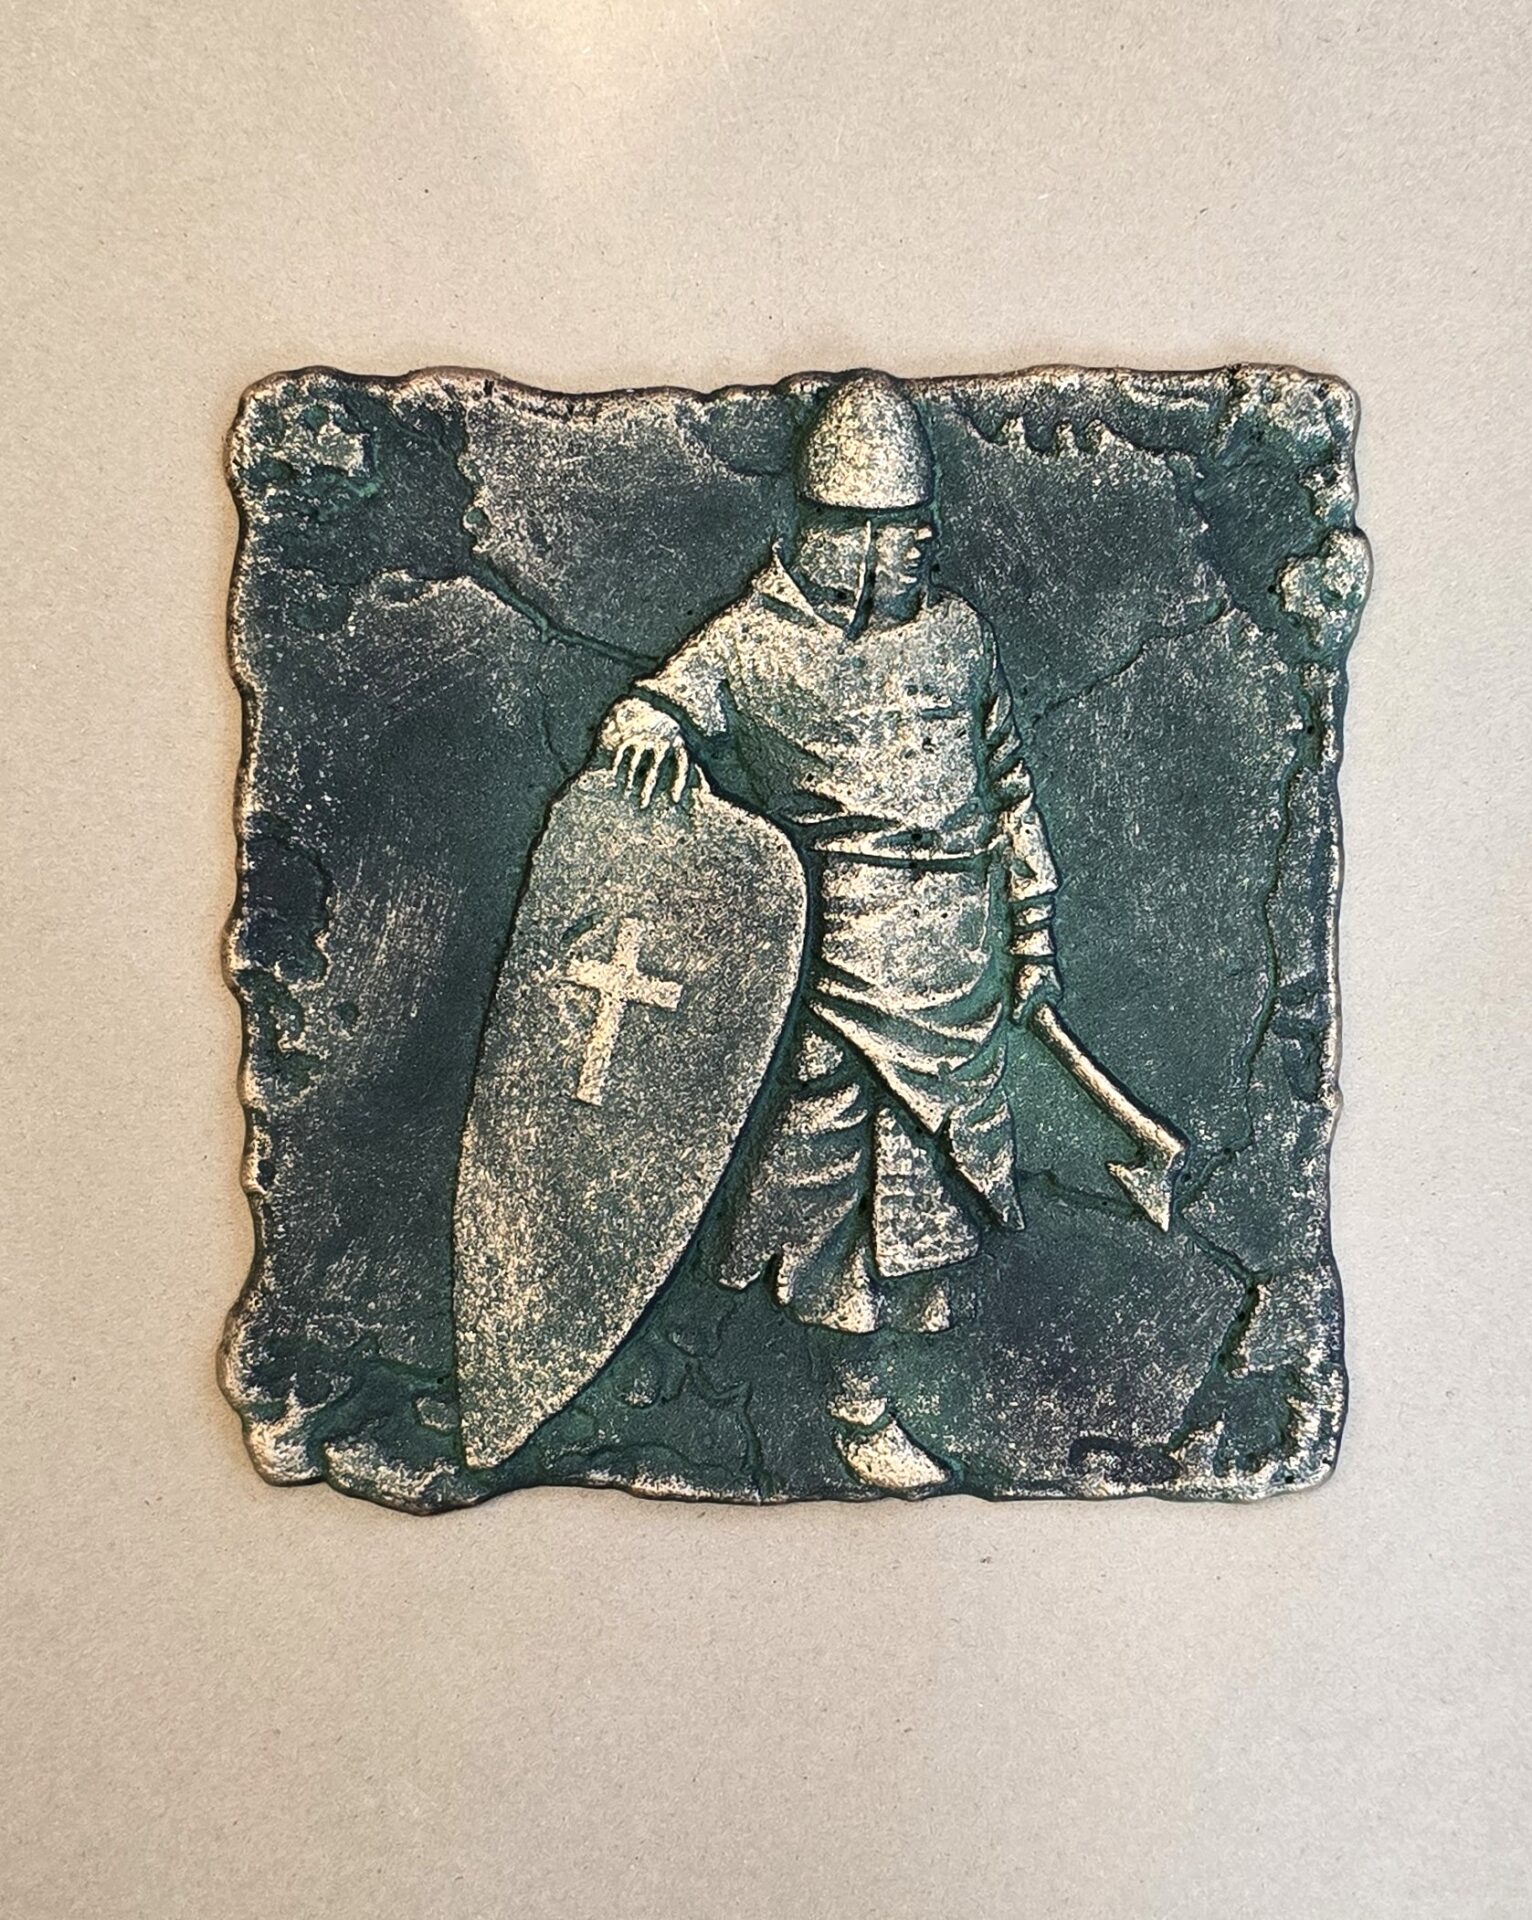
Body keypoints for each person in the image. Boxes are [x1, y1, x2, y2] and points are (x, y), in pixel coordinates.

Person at [598, 372, 1061, 1488]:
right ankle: (852, 1413)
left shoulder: (957, 637)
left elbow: (1006, 788)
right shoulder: (752, 643)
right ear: (829, 532)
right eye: (880, 529)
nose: (906, 549)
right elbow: (659, 701)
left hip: (955, 960)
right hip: (834, 961)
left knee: (921, 1190)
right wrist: (647, 722)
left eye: (912, 527)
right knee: (826, 1192)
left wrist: (1032, 934)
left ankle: (780, 1376)